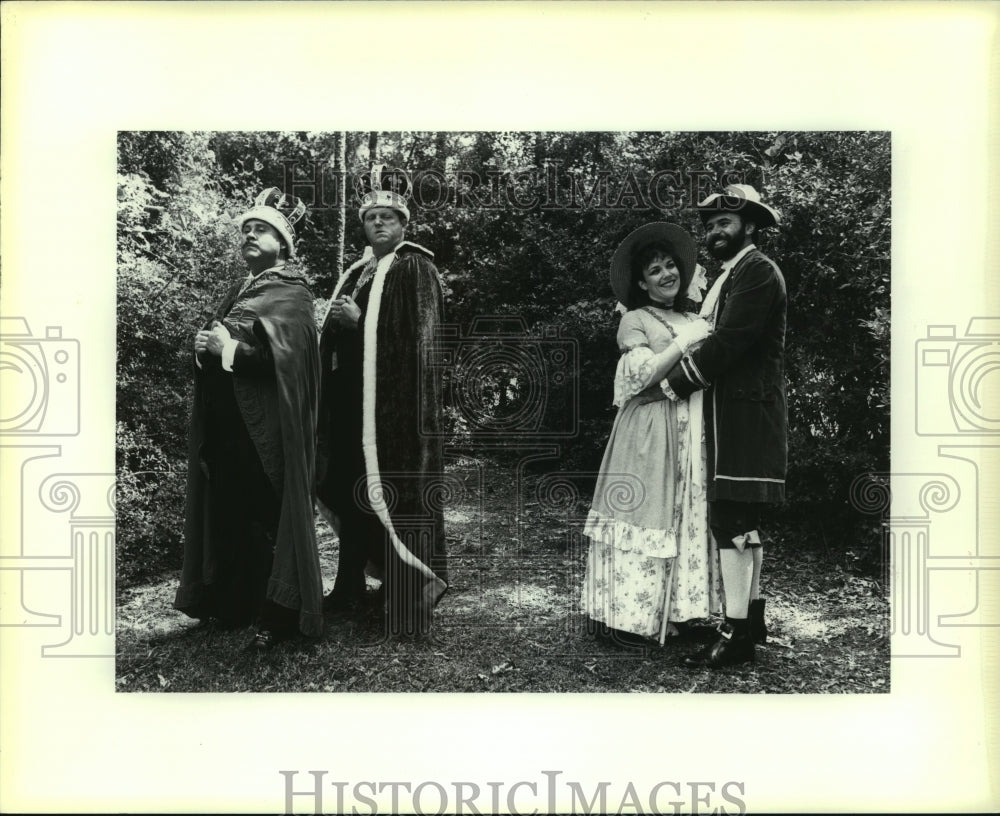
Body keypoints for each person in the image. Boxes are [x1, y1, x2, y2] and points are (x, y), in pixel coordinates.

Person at [174, 187, 324, 649]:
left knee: (262, 516)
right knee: (228, 513)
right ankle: (232, 605)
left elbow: (287, 363)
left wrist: (228, 350)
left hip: (261, 431)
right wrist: (204, 352)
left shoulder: (292, 293)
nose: (250, 236)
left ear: (284, 243)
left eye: (261, 229)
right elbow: (218, 350)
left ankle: (275, 616)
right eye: (246, 230)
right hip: (224, 426)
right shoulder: (237, 291)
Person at [317, 165, 447, 638]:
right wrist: (333, 327)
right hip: (355, 407)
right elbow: (350, 336)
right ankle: (349, 583)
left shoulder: (416, 267)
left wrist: (357, 320)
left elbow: (418, 342)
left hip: (397, 413)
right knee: (352, 494)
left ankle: (404, 593)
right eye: (371, 216)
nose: (379, 223)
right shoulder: (359, 270)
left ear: (404, 222)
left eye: (388, 216)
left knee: (395, 492)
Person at [582, 222, 722, 647]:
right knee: (650, 508)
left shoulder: (696, 317)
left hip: (694, 429)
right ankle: (632, 613)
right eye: (655, 270)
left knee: (690, 511)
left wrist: (699, 333)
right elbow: (643, 375)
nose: (666, 274)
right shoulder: (637, 320)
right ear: (641, 283)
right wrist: (685, 343)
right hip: (650, 428)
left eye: (670, 266)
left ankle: (684, 612)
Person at [666, 184, 787, 669]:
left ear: (750, 226)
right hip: (737, 410)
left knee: (732, 520)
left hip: (744, 412)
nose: (716, 231)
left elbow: (732, 340)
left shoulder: (756, 271)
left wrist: (675, 383)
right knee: (744, 520)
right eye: (711, 225)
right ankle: (751, 618)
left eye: (726, 223)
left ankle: (736, 635)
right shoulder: (734, 273)